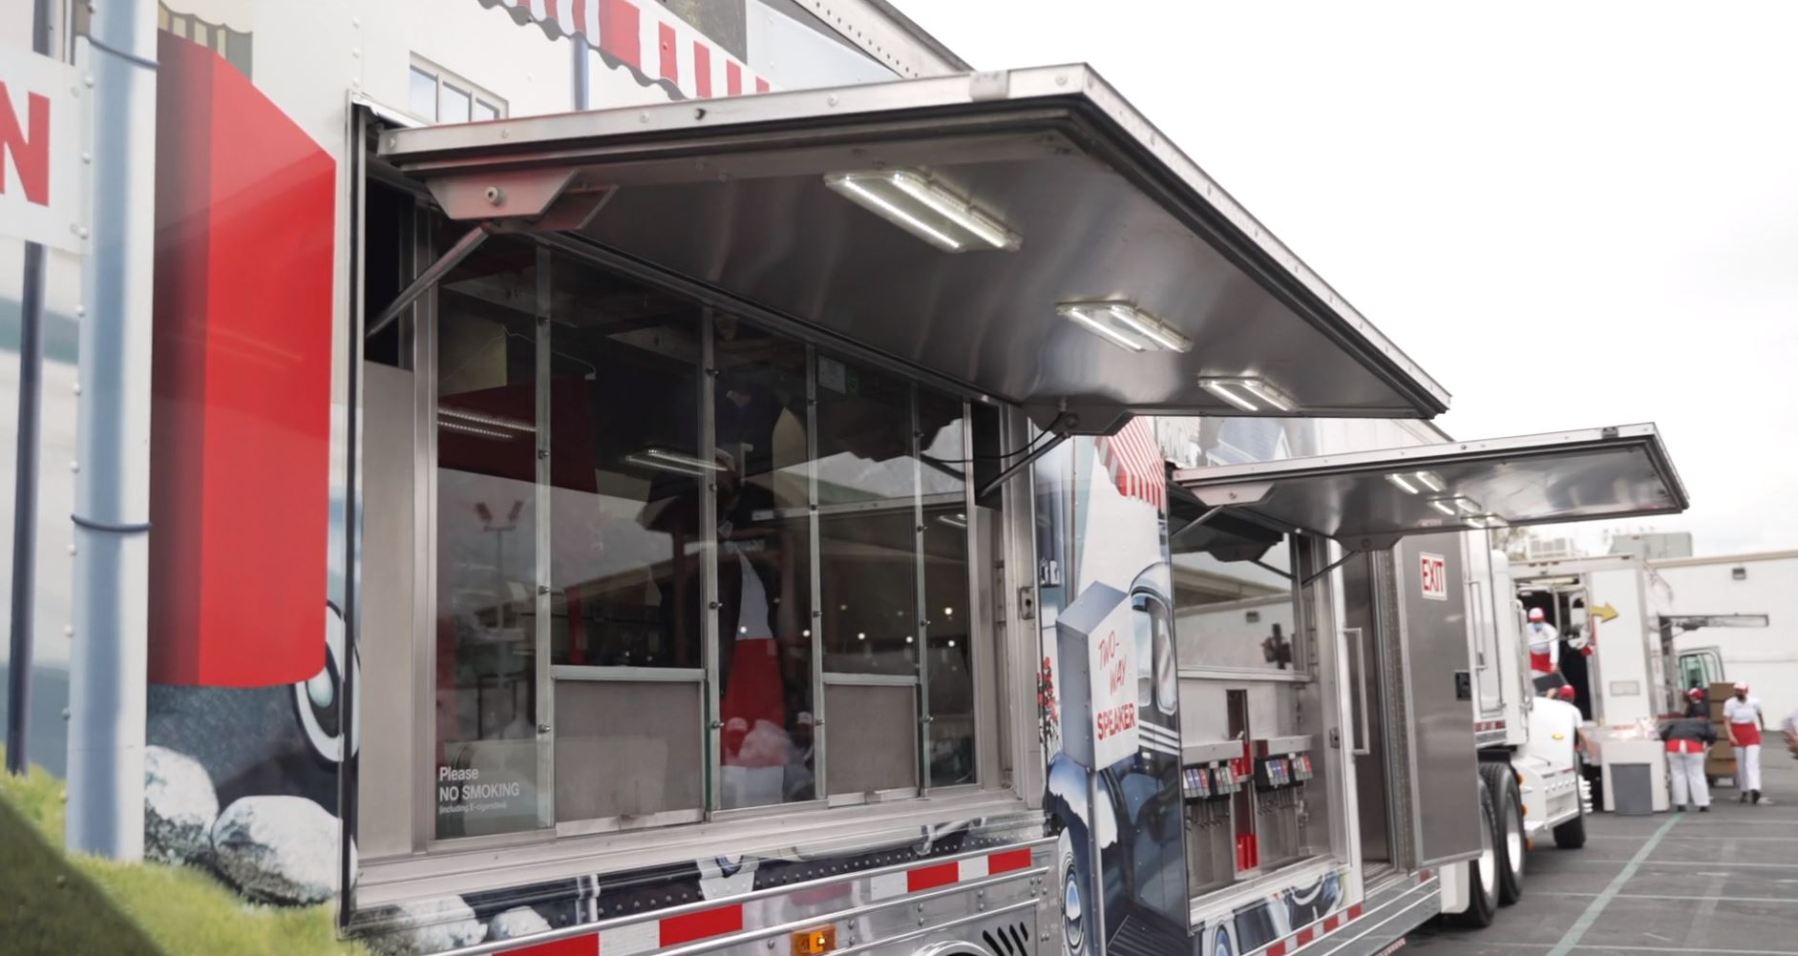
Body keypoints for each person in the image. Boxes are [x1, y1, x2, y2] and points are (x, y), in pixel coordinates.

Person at [1660, 689, 1718, 812]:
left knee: (1677, 774)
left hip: (1674, 746)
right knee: (1696, 774)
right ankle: (1702, 803)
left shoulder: (1676, 721)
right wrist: (1709, 744)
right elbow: (1712, 734)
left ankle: (1680, 803)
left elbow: (1664, 734)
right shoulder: (1703, 721)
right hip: (1693, 746)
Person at [1723, 682, 1771, 805]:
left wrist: (1763, 726)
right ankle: (1744, 790)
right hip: (1737, 731)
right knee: (1741, 763)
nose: (1739, 692)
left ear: (1746, 691)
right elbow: (1727, 721)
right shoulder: (1729, 703)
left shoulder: (1754, 702)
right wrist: (1731, 736)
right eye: (1737, 690)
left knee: (1752, 762)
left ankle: (1755, 788)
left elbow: (1760, 714)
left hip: (1751, 731)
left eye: (1741, 690)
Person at [1526, 608, 1560, 677]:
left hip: (1547, 659)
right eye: (1534, 621)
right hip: (1533, 658)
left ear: (1542, 619)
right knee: (1534, 678)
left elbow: (1554, 646)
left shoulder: (1550, 629)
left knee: (1549, 681)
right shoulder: (1527, 628)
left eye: (1538, 621)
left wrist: (1554, 663)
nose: (1536, 623)